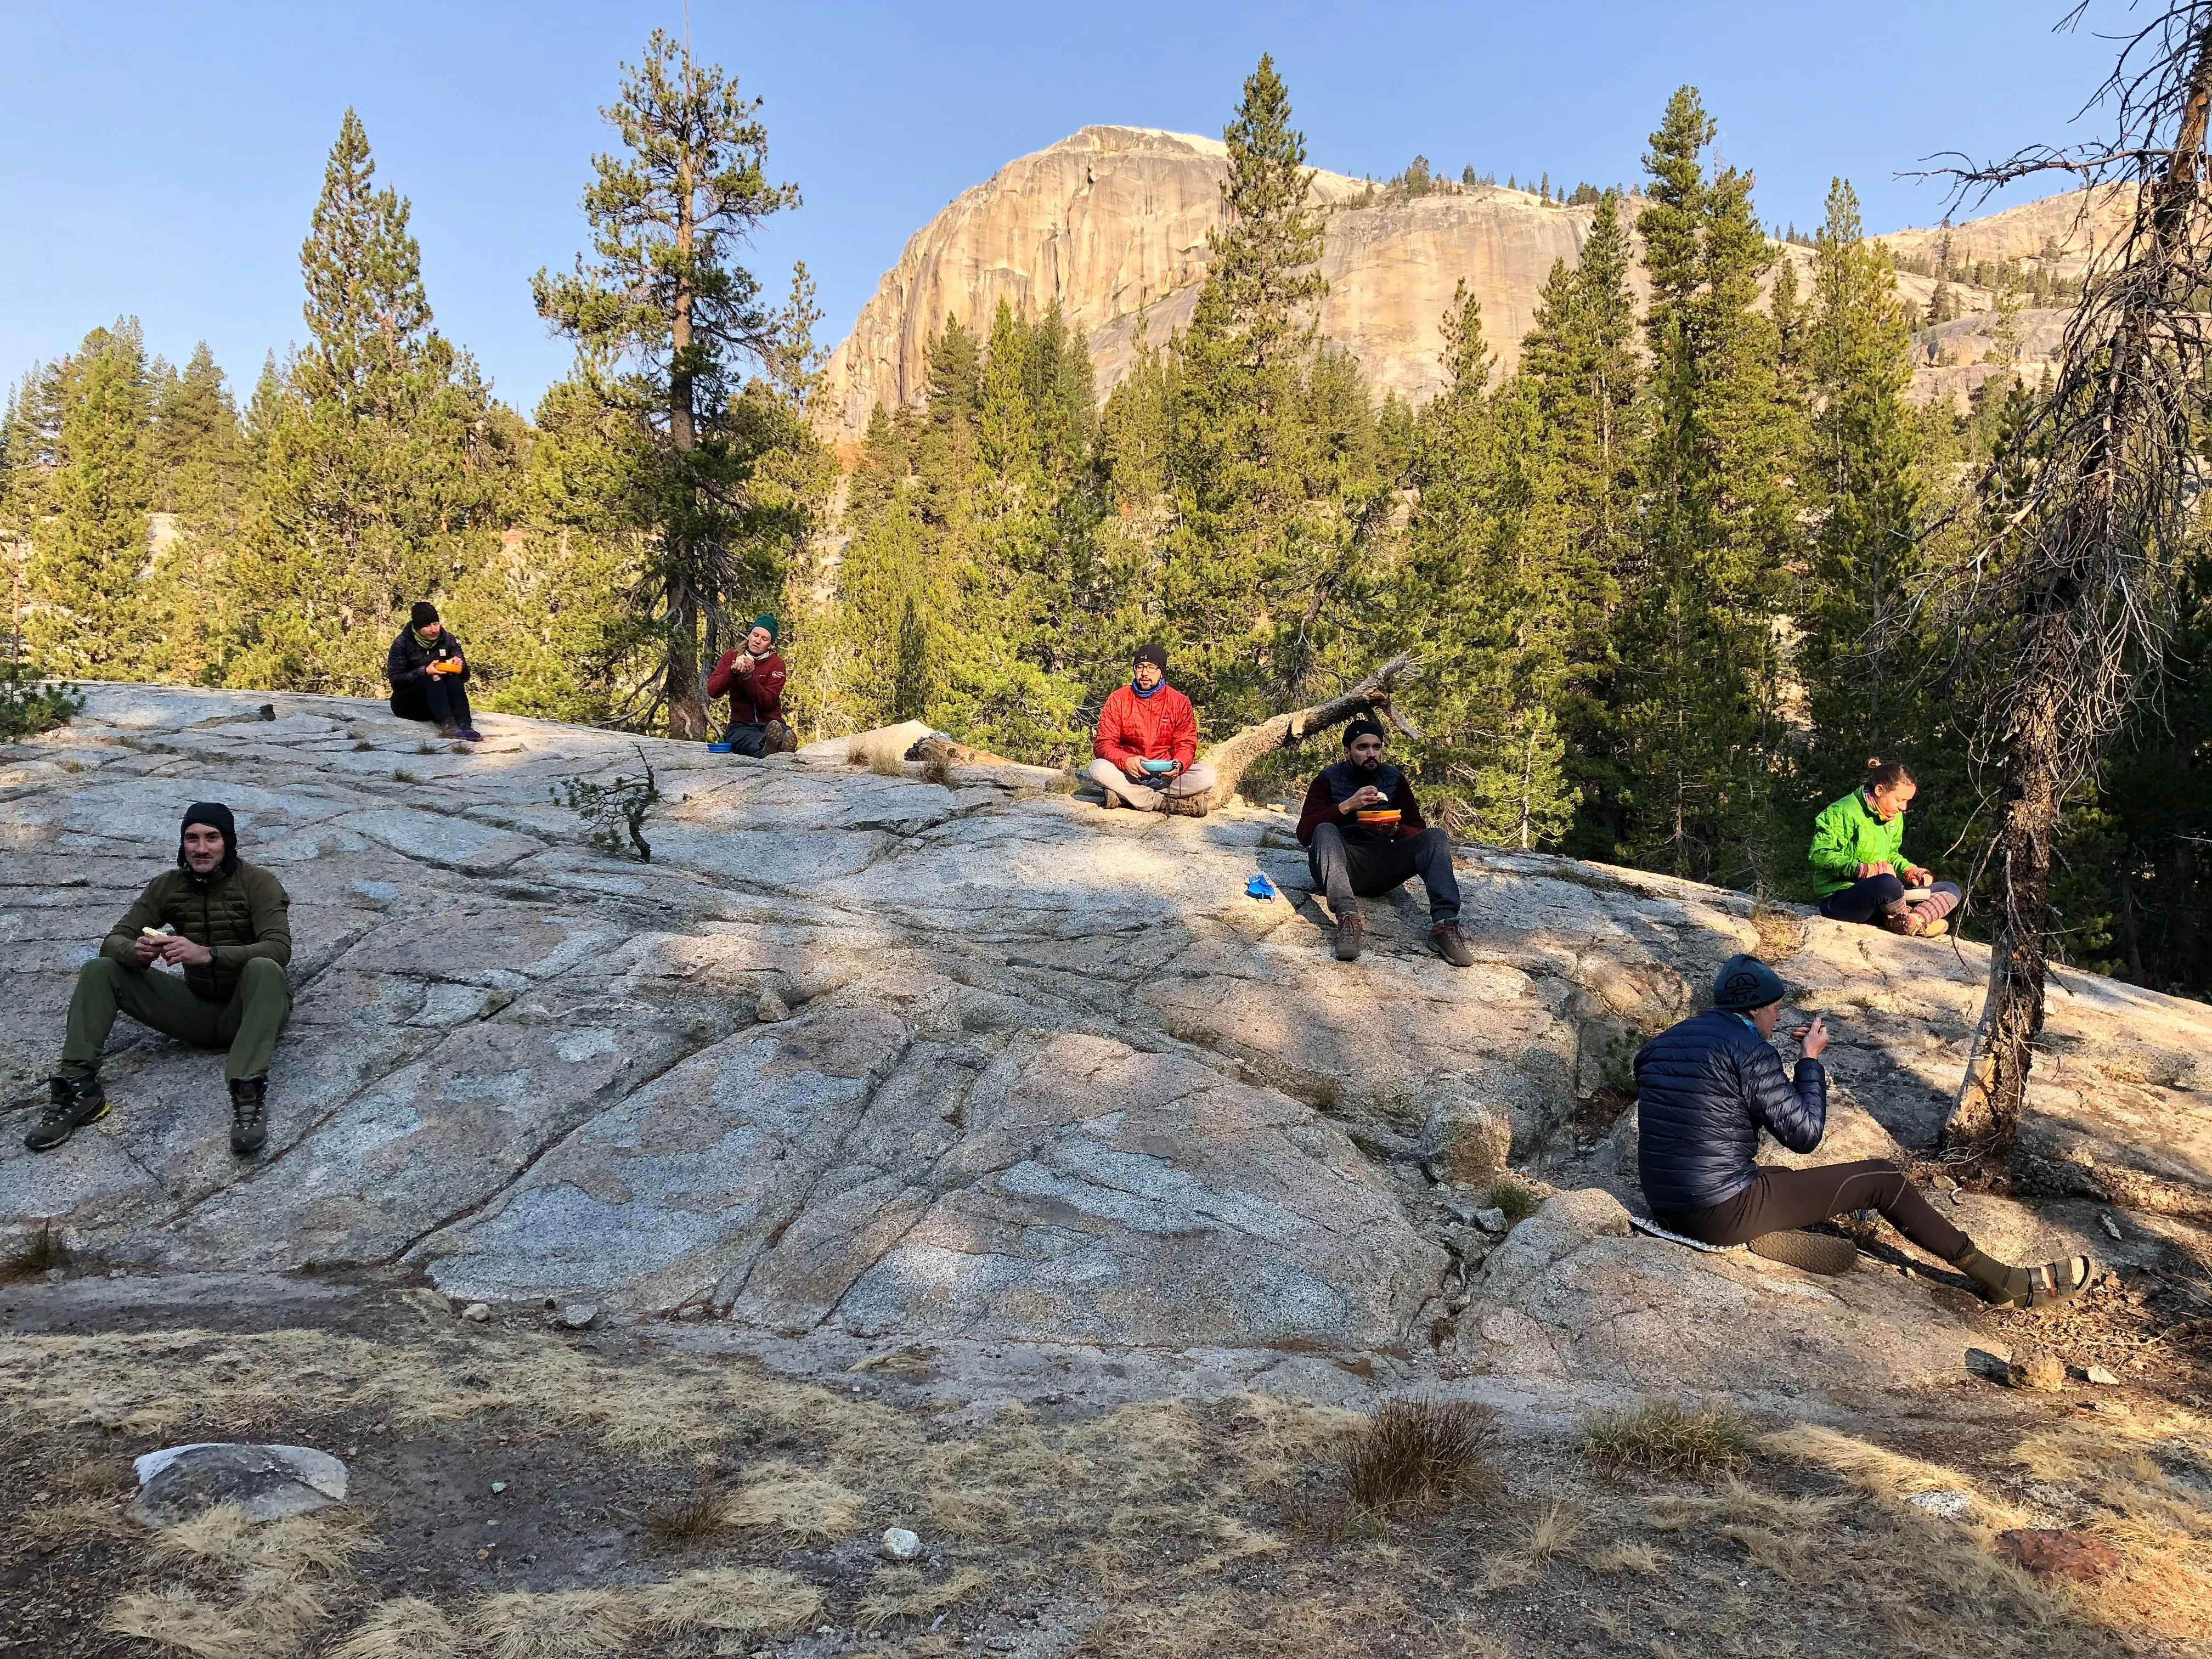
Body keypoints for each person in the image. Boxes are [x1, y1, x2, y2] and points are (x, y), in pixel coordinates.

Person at [1634, 952, 2094, 1306]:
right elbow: (1804, 1136)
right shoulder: (1751, 1052)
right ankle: (2003, 1281)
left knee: (1778, 1181)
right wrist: (1809, 1062)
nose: (1778, 1019)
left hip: (1669, 1204)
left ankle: (1766, 1230)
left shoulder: (1665, 1043)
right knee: (1880, 1179)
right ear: (1755, 1011)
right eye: (1775, 1011)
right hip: (1719, 1209)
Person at [29, 803, 293, 1159]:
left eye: (211, 838)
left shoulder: (259, 883)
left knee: (265, 969)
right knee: (100, 969)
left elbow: (279, 949)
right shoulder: (168, 886)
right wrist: (133, 951)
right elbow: (114, 939)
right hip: (196, 1012)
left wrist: (208, 954)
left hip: (250, 1012)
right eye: (192, 838)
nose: (201, 848)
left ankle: (247, 1093)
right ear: (182, 843)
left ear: (228, 843)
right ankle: (79, 1090)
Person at [1295, 719, 1474, 968]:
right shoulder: (1327, 779)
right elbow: (1304, 833)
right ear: (1347, 752)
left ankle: (1444, 926)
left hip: (1382, 864)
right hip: (1340, 864)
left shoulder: (1394, 779)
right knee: (1324, 830)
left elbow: (1417, 829)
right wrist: (1346, 807)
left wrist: (1397, 830)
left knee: (1435, 837)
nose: (1371, 753)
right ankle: (1348, 919)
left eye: (1376, 747)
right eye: (1362, 747)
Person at [1810, 758, 1960, 938]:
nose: (1904, 807)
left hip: (1885, 896)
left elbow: (1891, 854)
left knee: (1950, 889)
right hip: (1841, 897)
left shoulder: (1894, 816)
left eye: (1907, 801)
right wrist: (1866, 870)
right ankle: (1914, 921)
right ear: (1879, 790)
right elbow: (1819, 854)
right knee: (1888, 884)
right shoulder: (1842, 811)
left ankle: (1910, 921)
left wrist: (1910, 871)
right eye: (1900, 799)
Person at [1090, 644, 1216, 816]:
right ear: (1135, 670)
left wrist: (1178, 765)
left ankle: (1128, 797)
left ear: (1161, 672)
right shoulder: (1118, 699)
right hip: (1129, 773)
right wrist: (1126, 761)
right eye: (1140, 667)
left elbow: (1186, 744)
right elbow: (1103, 745)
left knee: (1207, 776)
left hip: (1166, 777)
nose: (1145, 673)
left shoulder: (1179, 702)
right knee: (1098, 769)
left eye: (1151, 667)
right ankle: (1162, 803)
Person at [387, 601, 482, 742]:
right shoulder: (402, 644)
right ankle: (448, 725)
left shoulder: (447, 639)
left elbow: (465, 676)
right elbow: (396, 681)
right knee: (433, 678)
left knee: (454, 679)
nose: (434, 630)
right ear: (417, 628)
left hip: (439, 703)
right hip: (410, 703)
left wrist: (460, 666)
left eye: (436, 624)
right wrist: (425, 671)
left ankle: (465, 724)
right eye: (427, 626)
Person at [707, 616, 796, 756]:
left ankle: (776, 744)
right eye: (755, 635)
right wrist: (732, 672)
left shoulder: (776, 664)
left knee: (781, 732)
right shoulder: (732, 656)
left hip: (771, 723)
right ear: (749, 635)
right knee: (745, 739)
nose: (758, 641)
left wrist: (748, 677)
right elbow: (713, 691)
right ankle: (771, 747)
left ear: (771, 644)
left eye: (764, 639)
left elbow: (767, 702)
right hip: (741, 724)